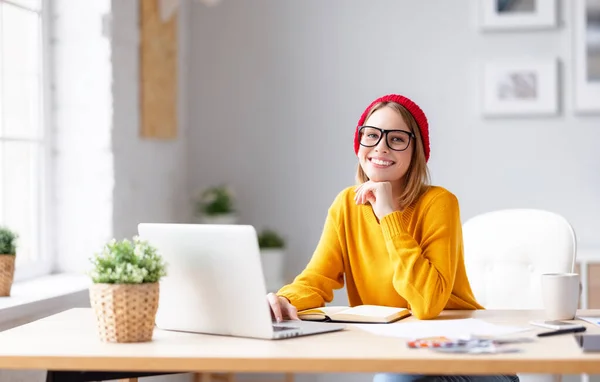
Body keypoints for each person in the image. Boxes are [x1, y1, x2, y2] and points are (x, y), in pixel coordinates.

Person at [266, 94, 518, 382]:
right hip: (404, 355)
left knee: (392, 379)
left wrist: (389, 216)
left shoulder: (439, 203)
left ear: (416, 152)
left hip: (471, 359)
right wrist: (284, 300)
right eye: (371, 136)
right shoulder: (346, 205)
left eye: (396, 139)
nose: (381, 147)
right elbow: (316, 279)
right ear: (359, 145)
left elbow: (426, 304)